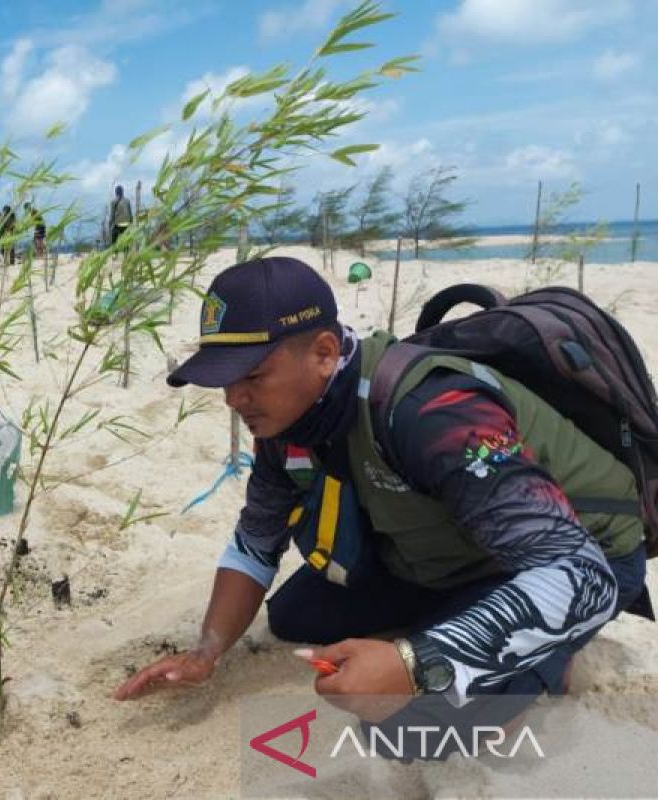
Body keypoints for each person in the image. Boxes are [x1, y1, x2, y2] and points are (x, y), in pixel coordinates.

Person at [114, 256, 650, 756]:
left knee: (409, 730)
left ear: (325, 353)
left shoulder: (432, 411)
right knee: (295, 614)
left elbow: (577, 572)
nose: (234, 399)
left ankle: (551, 662)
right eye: (226, 380)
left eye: (251, 376)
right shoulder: (285, 423)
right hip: (456, 551)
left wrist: (416, 662)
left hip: (587, 554)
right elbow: (256, 539)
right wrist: (206, 651)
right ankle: (461, 620)